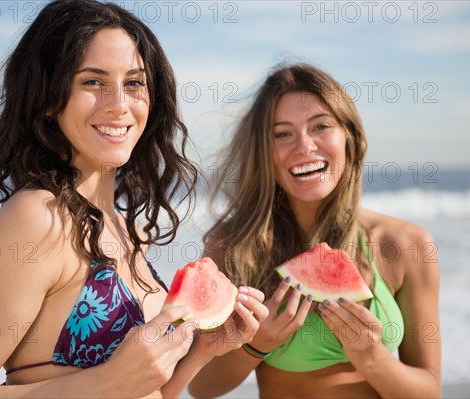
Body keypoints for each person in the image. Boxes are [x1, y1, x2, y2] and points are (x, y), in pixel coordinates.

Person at [0, 1, 267, 397]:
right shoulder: (37, 216)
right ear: (50, 98)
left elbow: (144, 390)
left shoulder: (128, 230)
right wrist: (104, 381)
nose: (119, 104)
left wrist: (202, 351)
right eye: (92, 81)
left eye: (134, 83)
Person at [188, 64, 441, 398]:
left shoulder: (407, 245)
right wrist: (256, 346)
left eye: (320, 126)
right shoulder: (235, 246)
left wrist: (371, 356)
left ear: (350, 136)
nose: (304, 146)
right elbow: (202, 387)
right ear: (264, 151)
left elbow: (429, 391)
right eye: (282, 133)